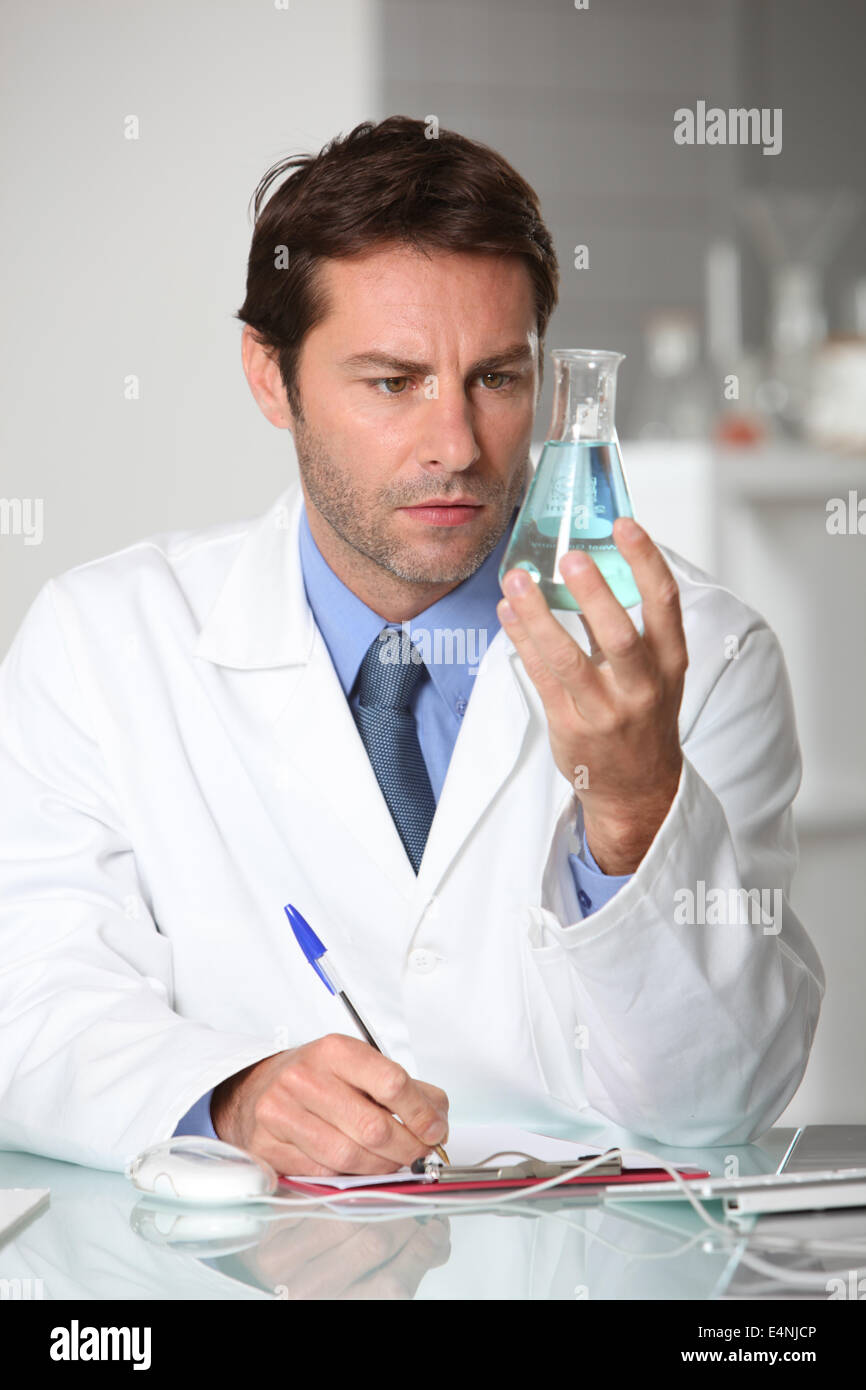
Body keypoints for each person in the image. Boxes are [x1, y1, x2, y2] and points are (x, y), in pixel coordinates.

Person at [0, 117, 823, 1176]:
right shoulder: (102, 641)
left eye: (496, 378)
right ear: (269, 376)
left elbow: (720, 1102)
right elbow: (26, 1002)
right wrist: (230, 1095)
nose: (456, 445)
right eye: (393, 383)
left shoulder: (700, 655)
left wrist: (632, 807)